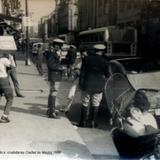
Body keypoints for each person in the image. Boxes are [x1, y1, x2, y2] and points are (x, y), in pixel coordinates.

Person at [78, 44, 109, 127]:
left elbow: (82, 73)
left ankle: (82, 122)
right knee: (96, 103)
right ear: (102, 51)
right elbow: (108, 75)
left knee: (85, 102)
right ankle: (92, 123)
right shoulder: (105, 62)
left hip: (87, 84)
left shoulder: (86, 59)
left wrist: (81, 84)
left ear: (94, 50)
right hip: (98, 86)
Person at [45, 38, 64, 119]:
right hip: (54, 75)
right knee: (54, 92)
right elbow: (51, 65)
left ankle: (50, 110)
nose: (60, 48)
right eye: (59, 46)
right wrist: (60, 68)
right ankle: (52, 112)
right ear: (56, 45)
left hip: (53, 75)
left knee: (52, 92)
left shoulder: (52, 53)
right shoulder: (52, 54)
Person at [0, 54, 14, 123]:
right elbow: (12, 67)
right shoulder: (4, 59)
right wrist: (11, 59)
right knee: (10, 98)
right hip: (3, 79)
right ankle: (4, 116)